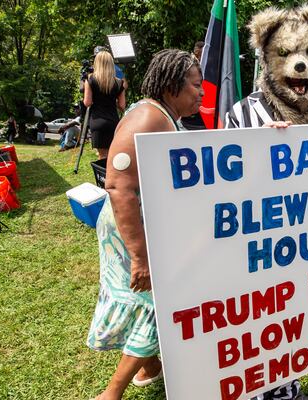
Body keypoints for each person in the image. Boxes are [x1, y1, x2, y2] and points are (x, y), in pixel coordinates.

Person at [87, 49, 203, 400]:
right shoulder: (149, 118)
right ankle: (112, 393)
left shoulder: (161, 114)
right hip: (130, 225)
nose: (201, 92)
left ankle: (149, 367)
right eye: (195, 86)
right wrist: (140, 256)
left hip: (136, 222)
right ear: (171, 86)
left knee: (143, 300)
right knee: (155, 303)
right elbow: (118, 184)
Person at [83, 50, 127, 160]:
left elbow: (87, 102)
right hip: (113, 121)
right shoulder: (119, 82)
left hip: (97, 121)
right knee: (112, 155)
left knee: (102, 156)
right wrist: (112, 100)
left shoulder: (90, 79)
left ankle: (104, 177)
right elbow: (122, 106)